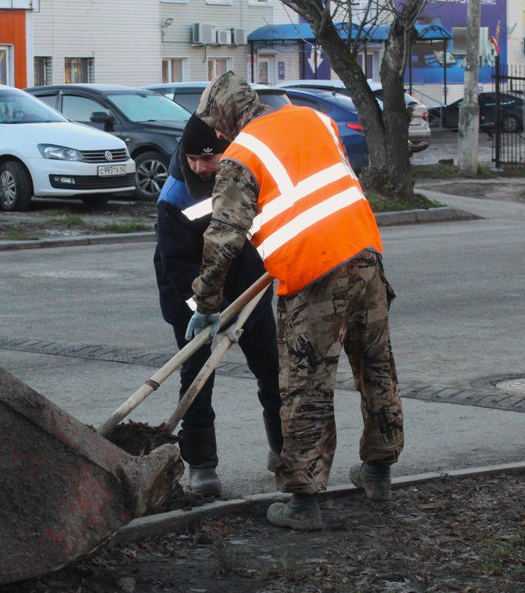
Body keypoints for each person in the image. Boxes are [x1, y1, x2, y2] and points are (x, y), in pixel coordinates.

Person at [186, 72, 402, 530]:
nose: (218, 136)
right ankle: (379, 472)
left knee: (306, 387)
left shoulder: (240, 155)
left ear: (225, 115)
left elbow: (224, 237)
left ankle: (303, 501)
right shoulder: (315, 119)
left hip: (313, 276)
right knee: (376, 367)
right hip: (365, 254)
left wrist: (205, 301)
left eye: (217, 126)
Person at [154, 113, 284, 496]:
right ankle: (201, 466)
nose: (201, 167)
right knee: (196, 380)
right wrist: (205, 308)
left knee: (272, 374)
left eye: (209, 159)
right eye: (193, 158)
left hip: (249, 290)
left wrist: (243, 304)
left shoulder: (246, 178)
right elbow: (177, 267)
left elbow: (262, 236)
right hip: (191, 300)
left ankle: (284, 451)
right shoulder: (174, 197)